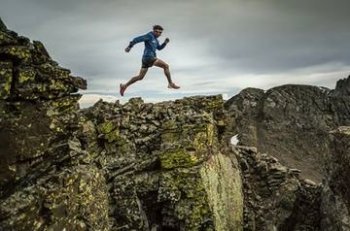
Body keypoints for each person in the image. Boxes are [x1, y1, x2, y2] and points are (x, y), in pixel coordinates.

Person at [120, 25, 180, 96]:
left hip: (145, 59)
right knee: (166, 66)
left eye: (160, 32)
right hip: (149, 57)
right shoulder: (149, 36)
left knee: (140, 77)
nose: (158, 33)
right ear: (153, 31)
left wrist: (165, 43)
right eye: (156, 32)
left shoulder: (156, 40)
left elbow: (159, 48)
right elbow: (137, 39)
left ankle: (124, 86)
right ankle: (170, 84)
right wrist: (129, 46)